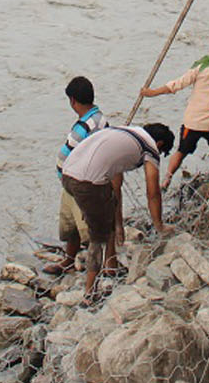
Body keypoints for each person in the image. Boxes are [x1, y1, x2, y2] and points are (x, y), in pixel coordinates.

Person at [59, 120, 175, 297]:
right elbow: (153, 192)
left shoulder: (125, 133)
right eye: (162, 152)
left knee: (106, 206)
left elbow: (114, 189)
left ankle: (110, 265)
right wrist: (159, 225)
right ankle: (89, 293)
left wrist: (119, 225)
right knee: (97, 236)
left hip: (67, 174)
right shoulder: (150, 147)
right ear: (159, 144)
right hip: (86, 183)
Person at [45, 76, 108, 276]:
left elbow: (70, 151)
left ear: (73, 100)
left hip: (79, 182)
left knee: (84, 227)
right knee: (71, 224)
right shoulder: (100, 119)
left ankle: (94, 269)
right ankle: (70, 261)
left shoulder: (85, 126)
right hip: (78, 180)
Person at [138, 47, 209, 187]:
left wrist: (151, 93)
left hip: (193, 121)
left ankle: (167, 179)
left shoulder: (201, 67)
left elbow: (176, 85)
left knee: (181, 151)